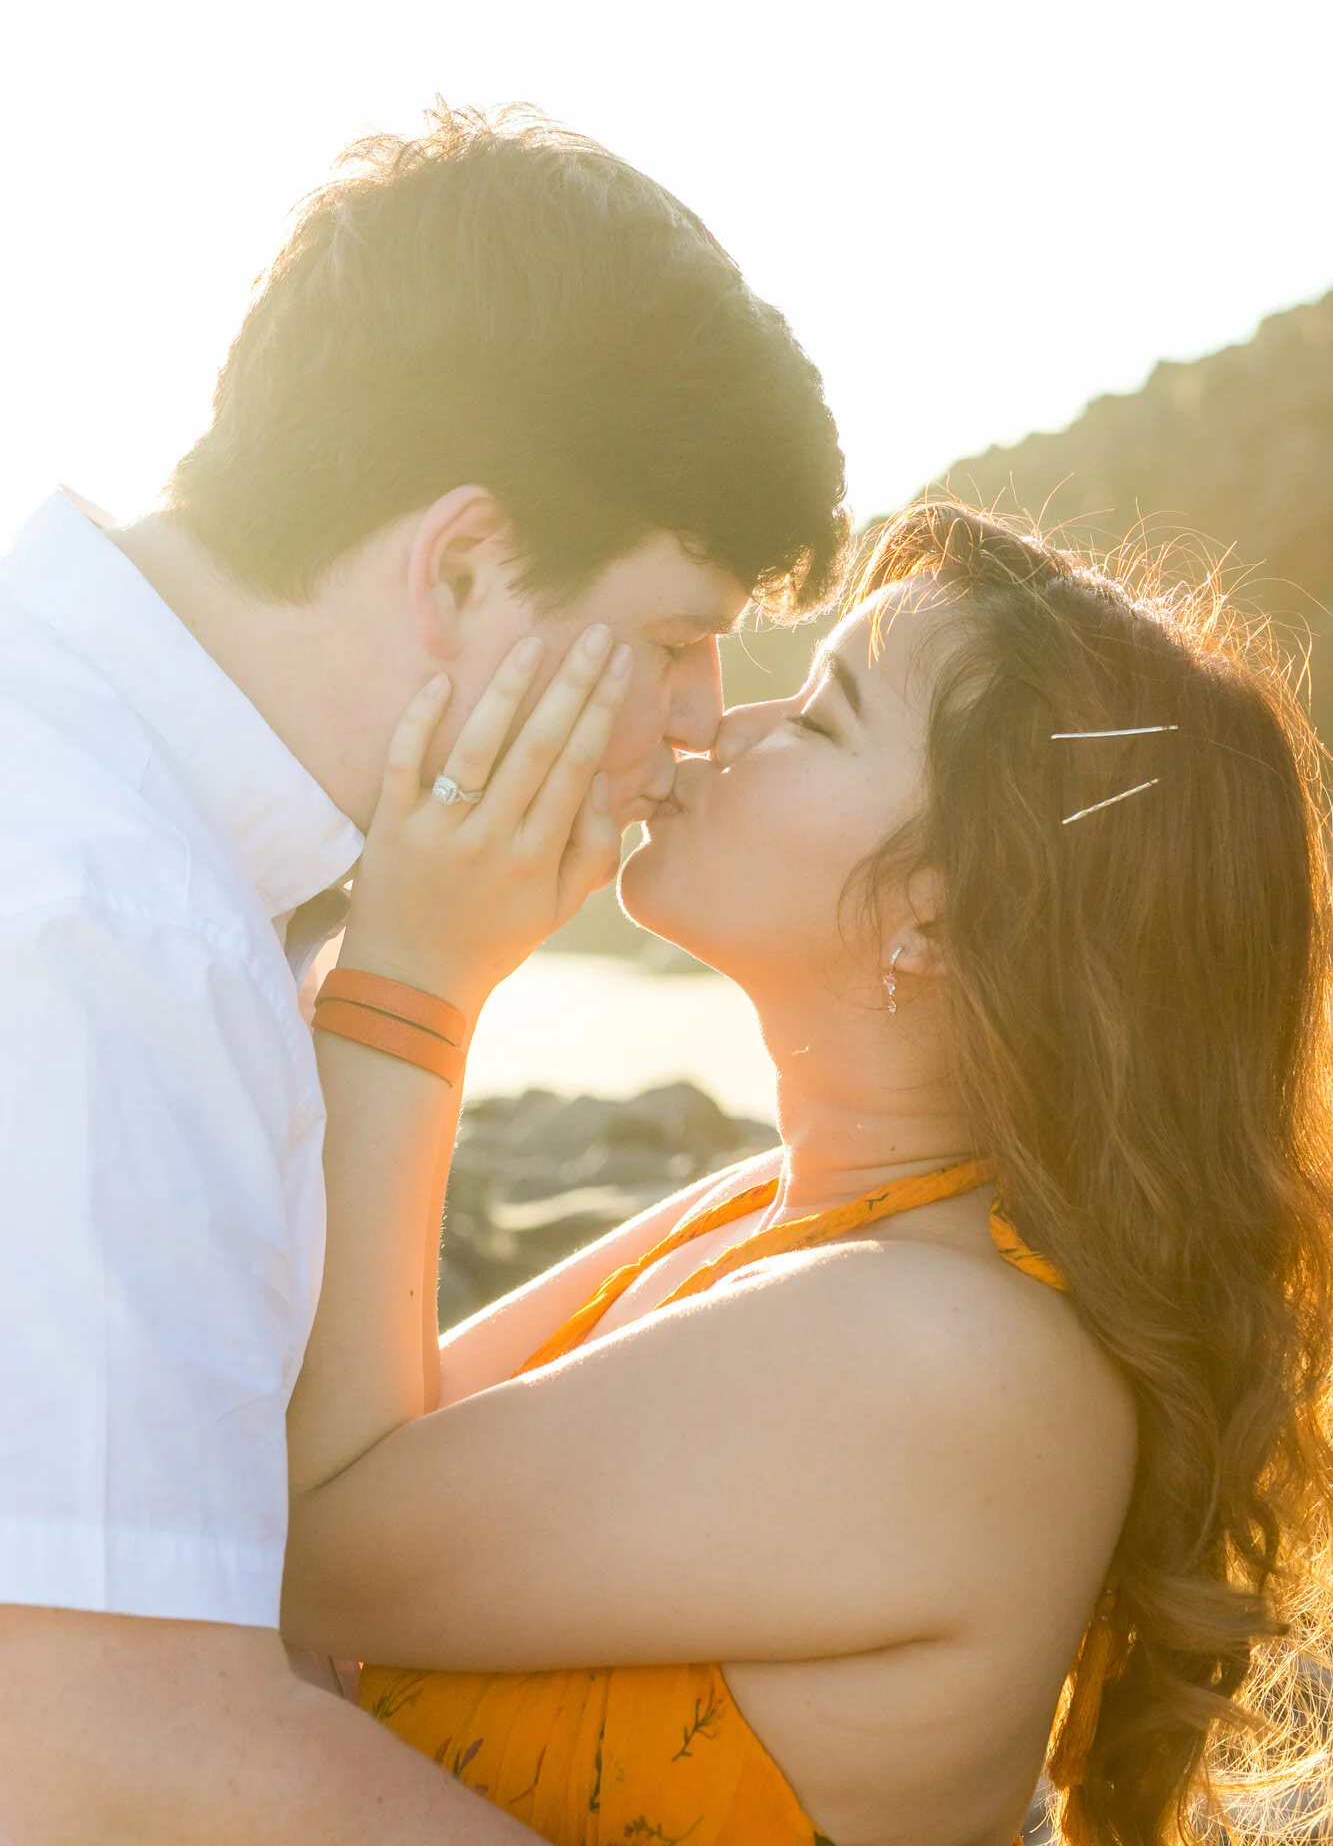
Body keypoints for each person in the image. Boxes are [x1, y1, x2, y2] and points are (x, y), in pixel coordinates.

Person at [0, 104, 846, 1842]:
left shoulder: (135, 838)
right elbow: (95, 1754)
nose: (696, 725)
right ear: (461, 566)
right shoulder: (98, 919)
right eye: (680, 634)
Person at [282, 502, 1333, 1846]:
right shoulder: (789, 1216)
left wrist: (416, 975)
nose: (714, 729)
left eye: (823, 716)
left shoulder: (941, 1349)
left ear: (937, 916)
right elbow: (340, 1443)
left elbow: (312, 1547)